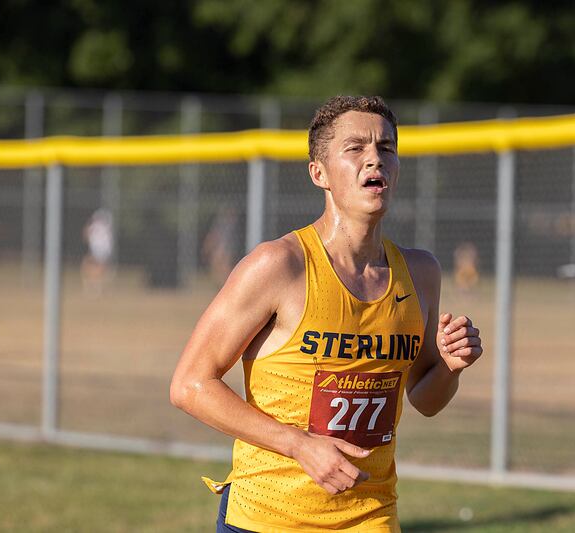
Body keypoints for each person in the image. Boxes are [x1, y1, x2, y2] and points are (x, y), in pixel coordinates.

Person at [170, 96, 483, 532]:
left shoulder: (420, 272)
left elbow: (425, 400)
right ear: (319, 173)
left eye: (386, 148)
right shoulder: (279, 265)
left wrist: (450, 366)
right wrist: (299, 444)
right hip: (266, 518)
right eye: (355, 148)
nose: (374, 158)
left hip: (371, 515)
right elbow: (190, 385)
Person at [81, 208, 114, 294]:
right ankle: (95, 284)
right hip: (101, 249)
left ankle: (94, 285)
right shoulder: (105, 226)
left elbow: (86, 233)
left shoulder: (97, 226)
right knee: (94, 265)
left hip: (99, 248)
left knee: (93, 265)